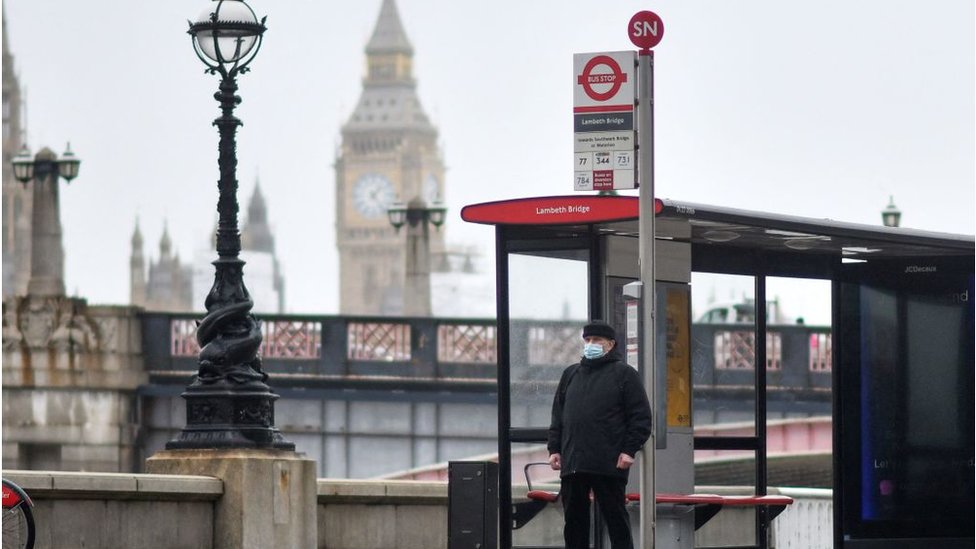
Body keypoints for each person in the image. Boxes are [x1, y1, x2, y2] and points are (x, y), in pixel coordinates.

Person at [547, 320, 652, 549]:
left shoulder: (625, 374)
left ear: (610, 344)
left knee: (615, 520)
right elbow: (559, 415)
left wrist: (628, 450)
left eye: (597, 340)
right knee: (574, 522)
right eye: (587, 340)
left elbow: (641, 418)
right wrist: (554, 448)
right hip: (573, 462)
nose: (590, 344)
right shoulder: (571, 373)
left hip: (609, 462)